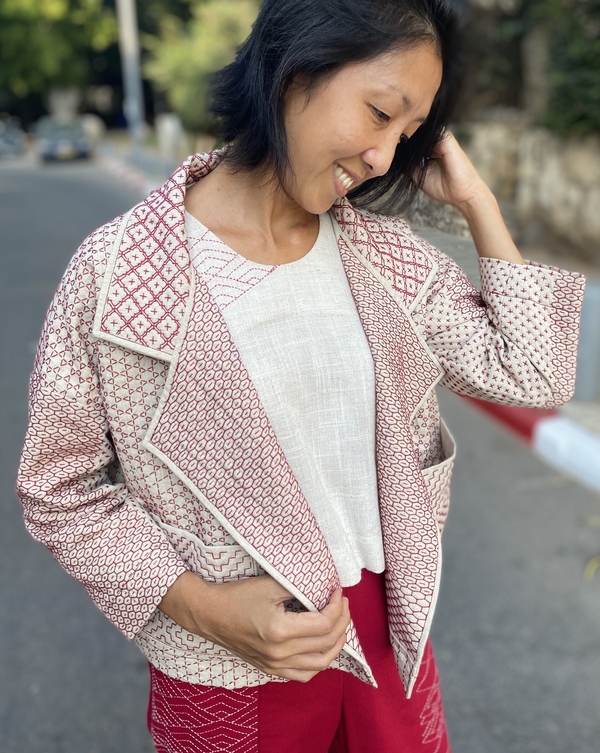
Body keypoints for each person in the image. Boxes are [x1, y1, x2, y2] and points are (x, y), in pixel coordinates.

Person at [17, 0, 585, 751]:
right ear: (294, 70)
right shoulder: (117, 273)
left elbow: (534, 372)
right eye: (379, 113)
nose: (385, 157)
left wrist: (476, 201)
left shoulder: (383, 257)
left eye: (409, 133)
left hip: (387, 641)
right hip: (227, 665)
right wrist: (203, 608)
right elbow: (60, 490)